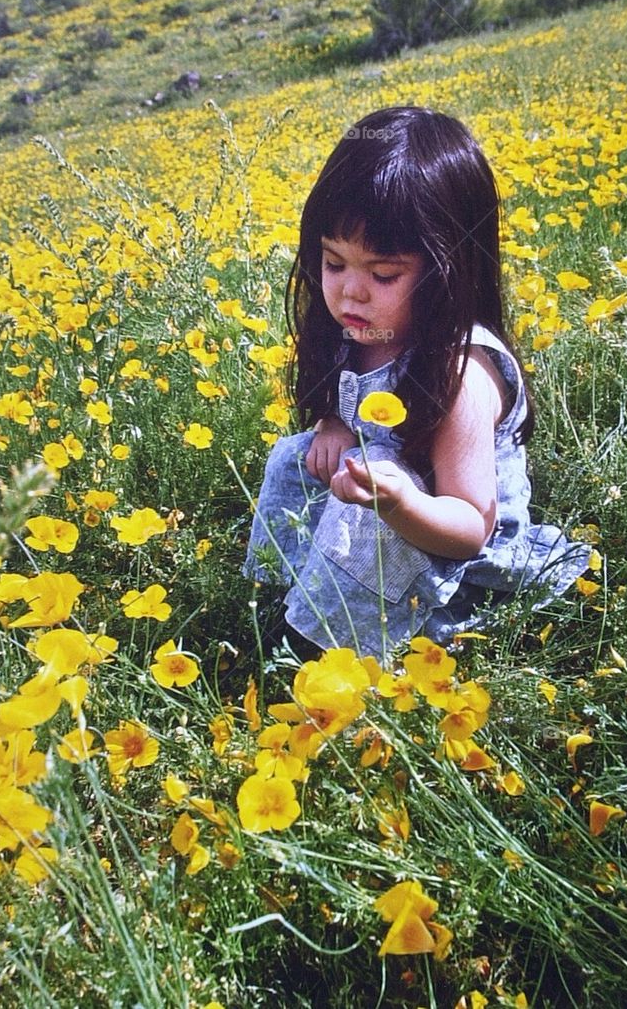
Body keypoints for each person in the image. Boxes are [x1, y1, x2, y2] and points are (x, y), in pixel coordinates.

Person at [243, 106, 589, 661]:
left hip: (451, 556)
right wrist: (333, 421)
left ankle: (327, 650)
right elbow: (348, 400)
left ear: (449, 270)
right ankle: (285, 596)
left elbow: (471, 526)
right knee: (295, 459)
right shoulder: (361, 327)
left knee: (366, 521)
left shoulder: (462, 376)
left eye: (382, 274)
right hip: (385, 495)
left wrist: (399, 502)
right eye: (334, 264)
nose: (350, 293)